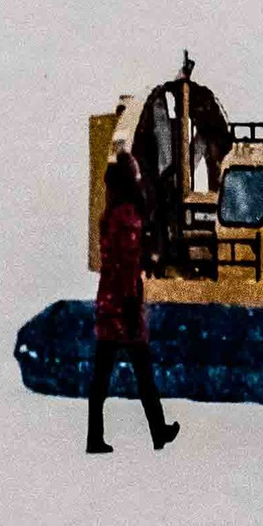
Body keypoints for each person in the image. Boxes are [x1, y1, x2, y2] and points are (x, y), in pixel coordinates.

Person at [88, 149, 179, 456]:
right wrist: (132, 295)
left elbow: (115, 260)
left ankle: (96, 436)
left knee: (102, 375)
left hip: (109, 301)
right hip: (123, 305)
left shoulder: (111, 213)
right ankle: (158, 431)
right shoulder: (128, 215)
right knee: (143, 372)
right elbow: (128, 262)